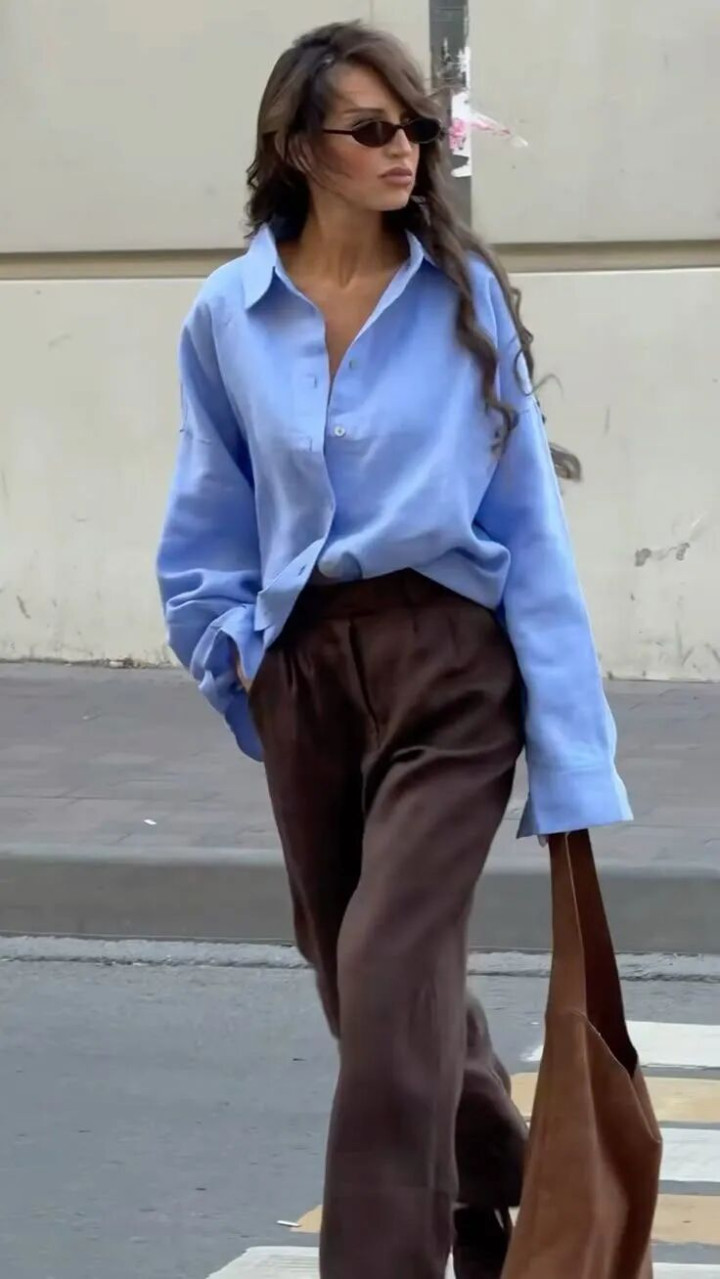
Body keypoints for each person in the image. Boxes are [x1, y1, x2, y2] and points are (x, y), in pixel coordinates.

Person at [156, 20, 631, 1279]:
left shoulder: (458, 298)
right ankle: (489, 1187)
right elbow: (208, 508)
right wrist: (230, 648)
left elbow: (528, 523)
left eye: (415, 127)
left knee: (385, 969)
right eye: (371, 130)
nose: (403, 150)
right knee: (356, 978)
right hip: (305, 669)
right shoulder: (229, 314)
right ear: (297, 147)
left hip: (450, 668)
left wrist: (573, 749)